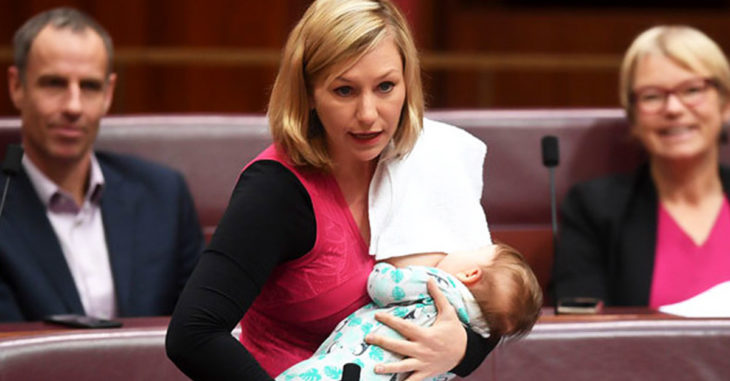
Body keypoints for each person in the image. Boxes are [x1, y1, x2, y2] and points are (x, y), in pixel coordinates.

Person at [166, 0, 499, 379]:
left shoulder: (429, 158)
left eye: (386, 87)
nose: (369, 114)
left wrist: (462, 350)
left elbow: (487, 293)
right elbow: (192, 333)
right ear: (308, 92)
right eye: (344, 91)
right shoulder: (275, 190)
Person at [0, 7, 204, 322]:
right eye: (54, 83)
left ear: (109, 93)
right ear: (17, 86)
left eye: (90, 86)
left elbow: (199, 330)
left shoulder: (163, 195)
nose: (73, 106)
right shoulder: (4, 205)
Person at [551, 25, 730, 308]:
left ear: (725, 103)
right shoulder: (594, 208)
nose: (673, 108)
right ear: (633, 116)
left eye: (692, 90)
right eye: (652, 96)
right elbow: (580, 328)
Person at [277, 243, 542, 381]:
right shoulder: (471, 331)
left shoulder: (438, 285)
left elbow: (381, 287)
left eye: (474, 249)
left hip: (344, 370)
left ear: (470, 273)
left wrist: (384, 265)